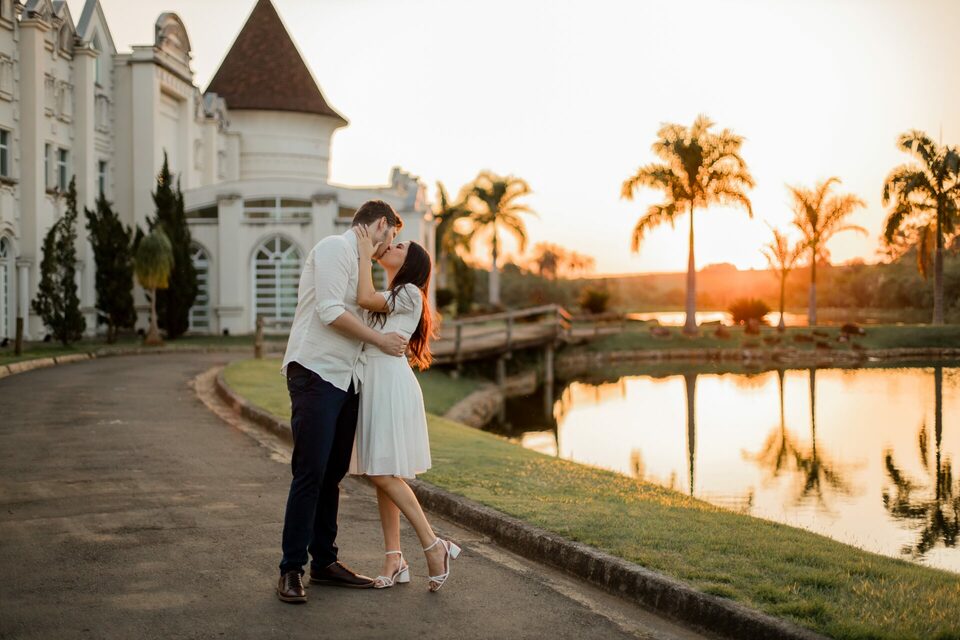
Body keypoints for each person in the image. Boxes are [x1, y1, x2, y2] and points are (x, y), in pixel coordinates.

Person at [276, 200, 409, 604]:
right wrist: (381, 340)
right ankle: (291, 569)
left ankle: (325, 562)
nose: (389, 244)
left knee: (332, 473)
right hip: (316, 372)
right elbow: (331, 311)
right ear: (381, 224)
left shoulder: (363, 264)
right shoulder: (335, 248)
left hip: (347, 379)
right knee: (310, 471)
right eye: (391, 235)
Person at [348, 225, 461, 592]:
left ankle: (433, 544)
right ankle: (394, 558)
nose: (391, 246)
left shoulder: (409, 292)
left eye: (399, 246)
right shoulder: (392, 294)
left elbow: (363, 298)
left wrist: (364, 252)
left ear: (409, 263)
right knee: (383, 472)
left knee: (382, 472)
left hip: (390, 386)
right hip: (375, 383)